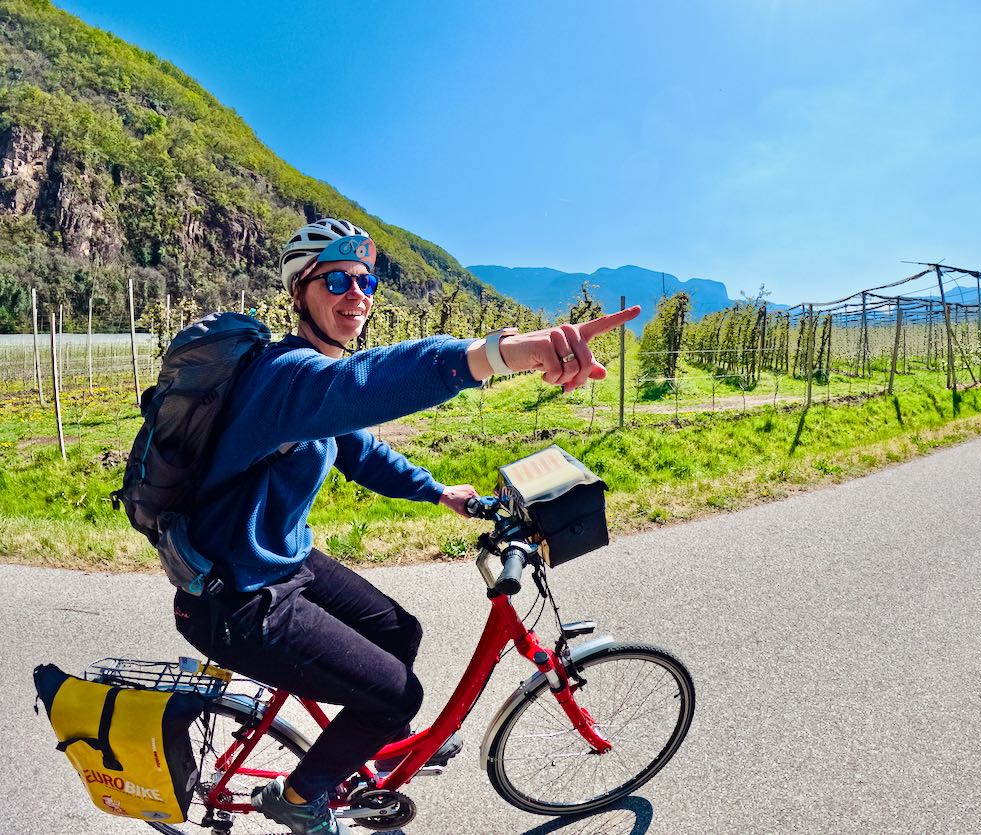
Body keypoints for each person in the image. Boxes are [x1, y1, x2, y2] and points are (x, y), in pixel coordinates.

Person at [171, 217, 639, 835]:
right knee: (397, 697)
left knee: (400, 633)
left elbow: (360, 450)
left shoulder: (309, 381)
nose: (356, 295)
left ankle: (364, 745)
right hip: (237, 600)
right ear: (299, 292)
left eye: (366, 281)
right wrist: (506, 353)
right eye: (336, 279)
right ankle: (300, 797)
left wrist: (441, 493)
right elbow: (373, 381)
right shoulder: (287, 375)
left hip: (277, 560)